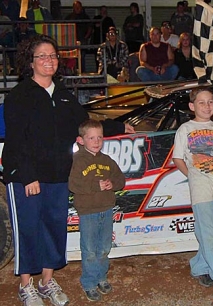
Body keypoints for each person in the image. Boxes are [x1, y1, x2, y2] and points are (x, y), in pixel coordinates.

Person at [2, 34, 134, 306]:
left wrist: (119, 127)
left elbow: (85, 124)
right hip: (25, 177)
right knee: (28, 229)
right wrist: (28, 176)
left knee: (53, 228)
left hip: (58, 175)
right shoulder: (20, 96)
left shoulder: (62, 95)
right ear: (30, 61)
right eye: (42, 56)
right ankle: (26, 285)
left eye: (52, 55)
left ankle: (47, 281)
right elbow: (17, 139)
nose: (48, 60)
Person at [172, 88, 213, 294]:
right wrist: (192, 175)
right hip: (200, 188)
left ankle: (201, 266)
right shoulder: (185, 129)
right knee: (209, 232)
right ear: (192, 106)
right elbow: (178, 158)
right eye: (202, 102)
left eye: (210, 102)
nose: (207, 106)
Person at [69, 119, 125, 302]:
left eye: (99, 137)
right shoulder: (77, 161)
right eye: (91, 138)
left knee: (104, 247)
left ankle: (101, 277)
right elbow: (73, 184)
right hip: (88, 212)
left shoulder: (107, 160)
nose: (96, 141)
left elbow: (120, 180)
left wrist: (112, 184)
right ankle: (89, 282)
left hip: (106, 209)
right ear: (81, 140)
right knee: (90, 249)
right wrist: (95, 185)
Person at [65, 1, 92, 73]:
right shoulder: (69, 17)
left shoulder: (85, 17)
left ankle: (82, 74)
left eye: (78, 7)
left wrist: (85, 38)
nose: (77, 8)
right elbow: (64, 27)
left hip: (82, 41)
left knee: (81, 58)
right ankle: (72, 73)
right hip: (71, 42)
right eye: (75, 7)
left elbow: (90, 28)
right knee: (71, 59)